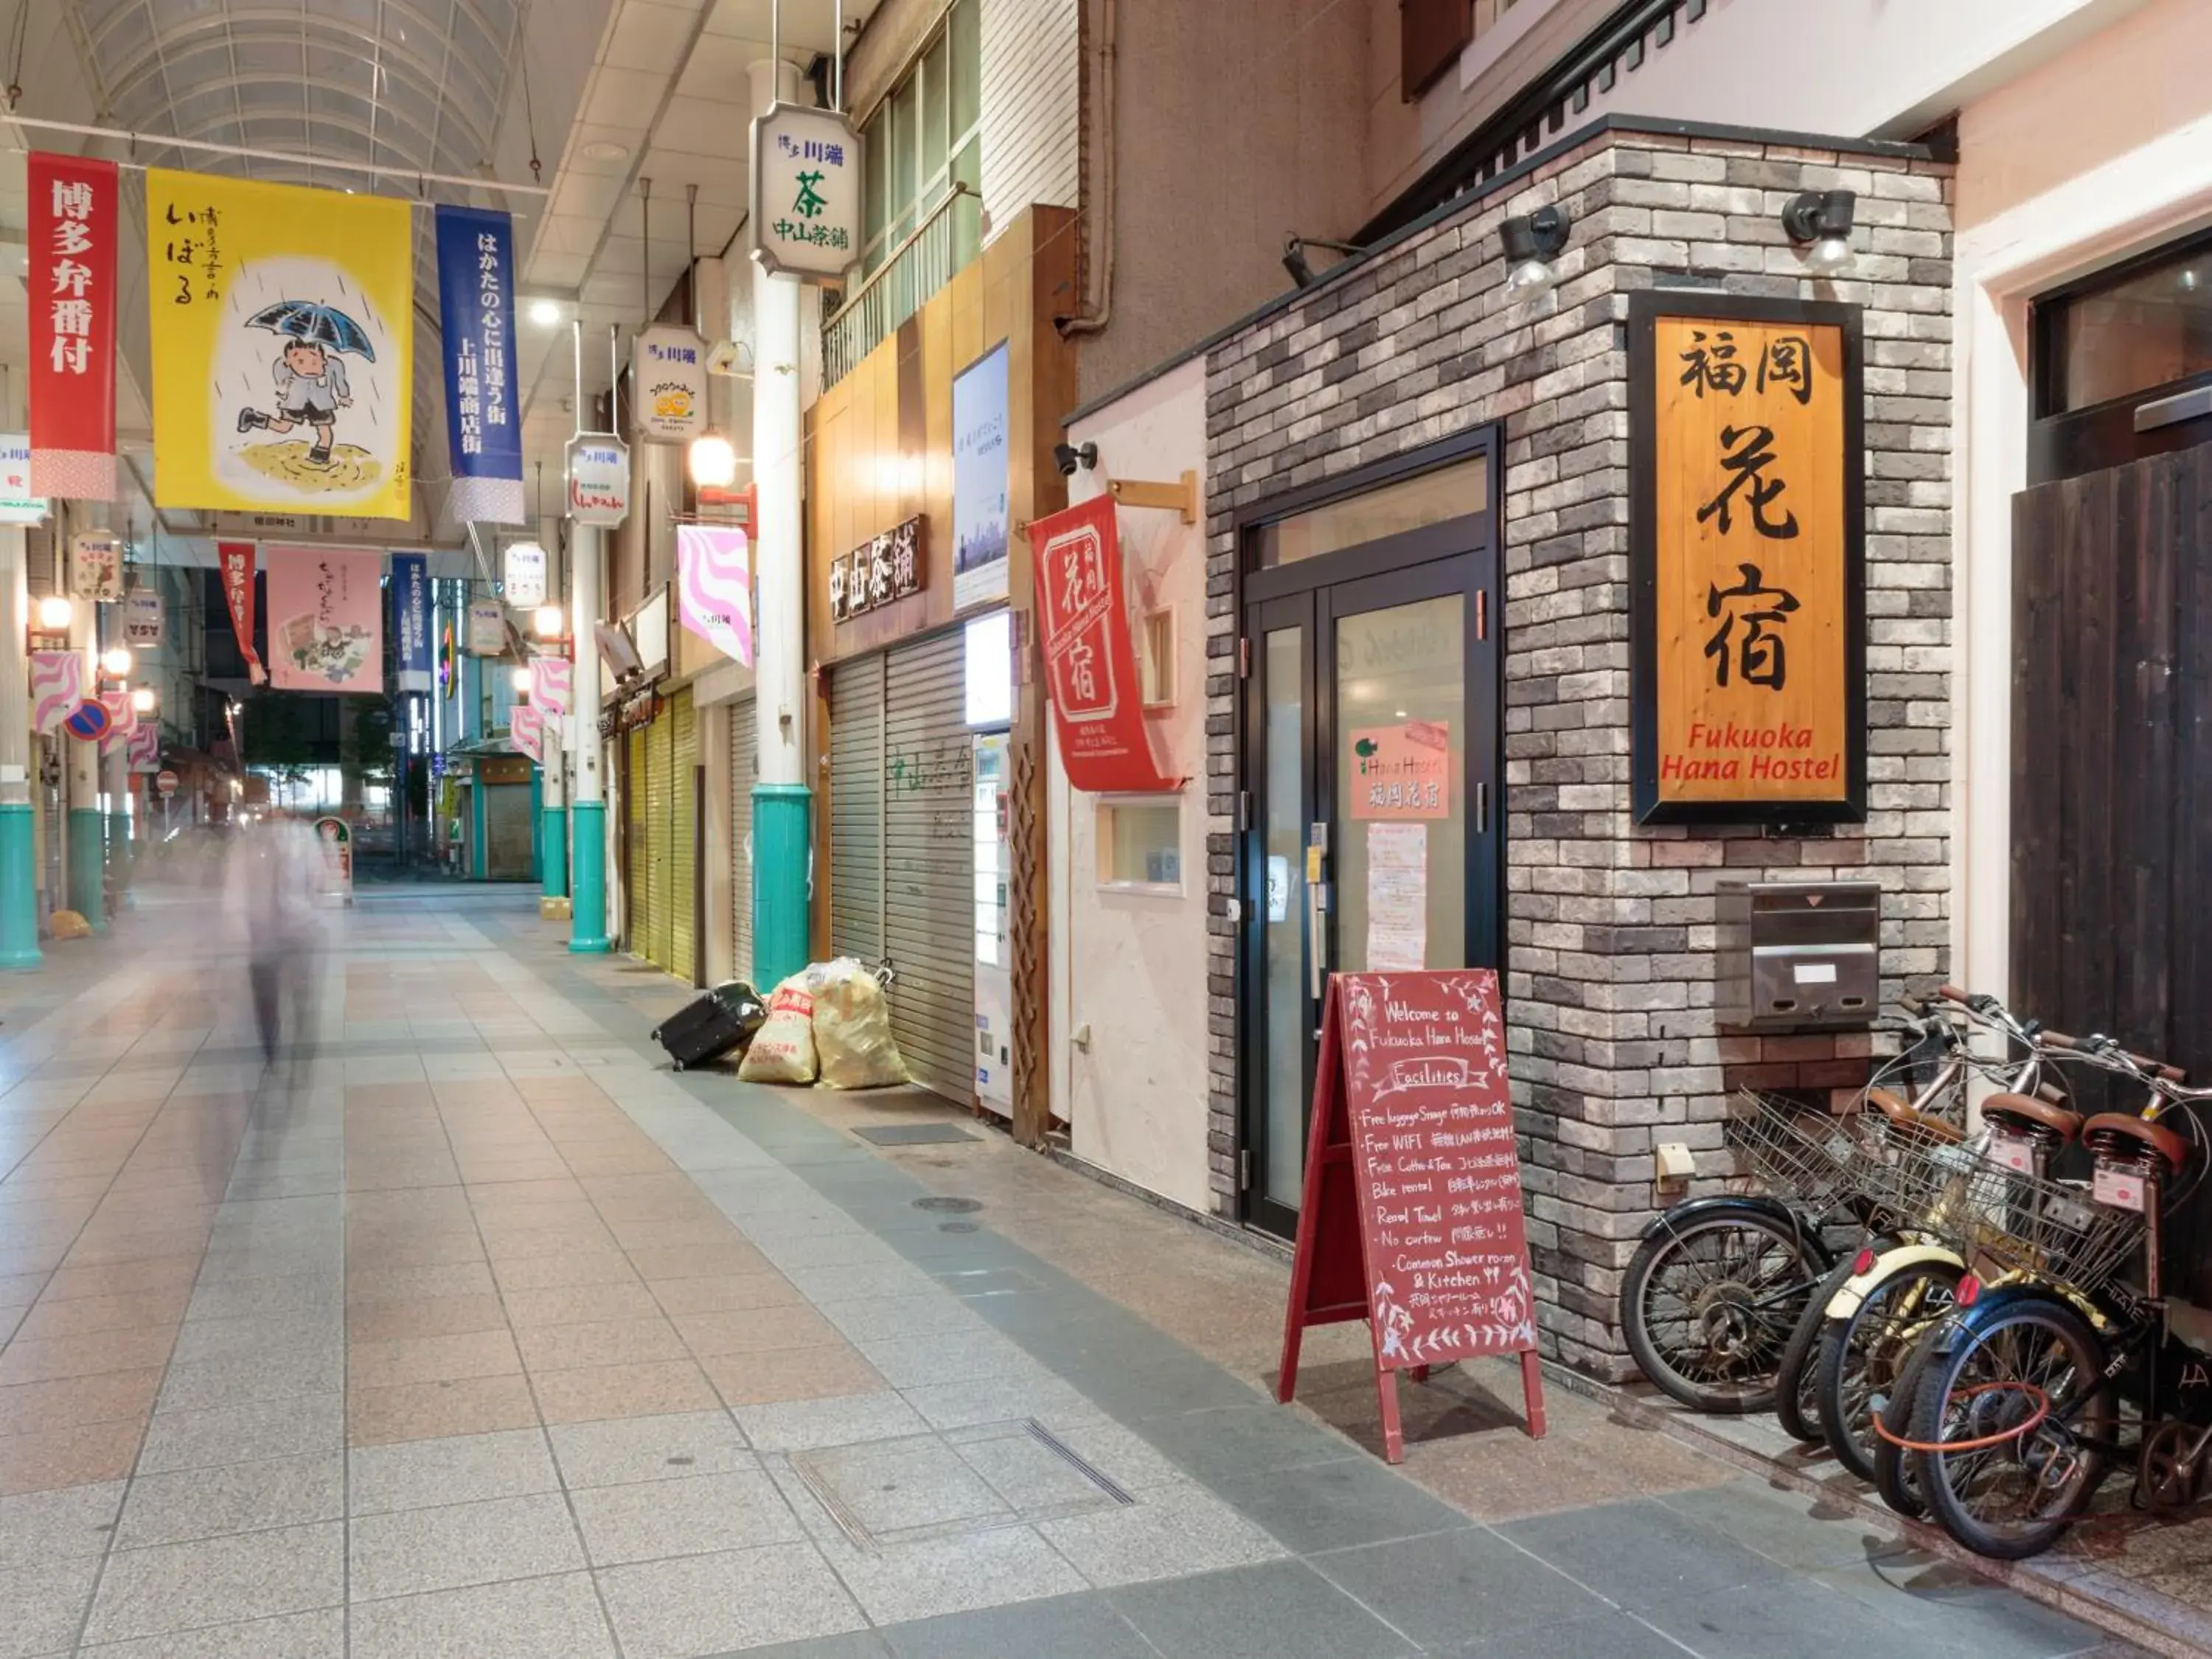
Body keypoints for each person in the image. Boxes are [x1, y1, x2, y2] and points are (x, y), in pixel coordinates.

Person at [226, 818, 323, 1062]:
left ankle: (302, 1039)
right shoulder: (246, 844)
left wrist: (309, 912)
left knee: (301, 988)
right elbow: (235, 888)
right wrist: (239, 927)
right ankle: (271, 1044)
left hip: (297, 927)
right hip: (261, 930)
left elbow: (316, 879)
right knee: (266, 994)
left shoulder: (304, 841)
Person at [237, 338, 353, 466]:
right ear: (289, 362)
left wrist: (344, 396)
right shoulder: (283, 365)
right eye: (300, 362)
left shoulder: (333, 365)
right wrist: (284, 391)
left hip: (321, 404)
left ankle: (319, 459)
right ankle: (253, 418)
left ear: (323, 360)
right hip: (296, 402)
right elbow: (282, 381)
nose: (308, 367)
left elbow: (341, 382)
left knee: (325, 433)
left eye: (315, 362)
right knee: (283, 427)